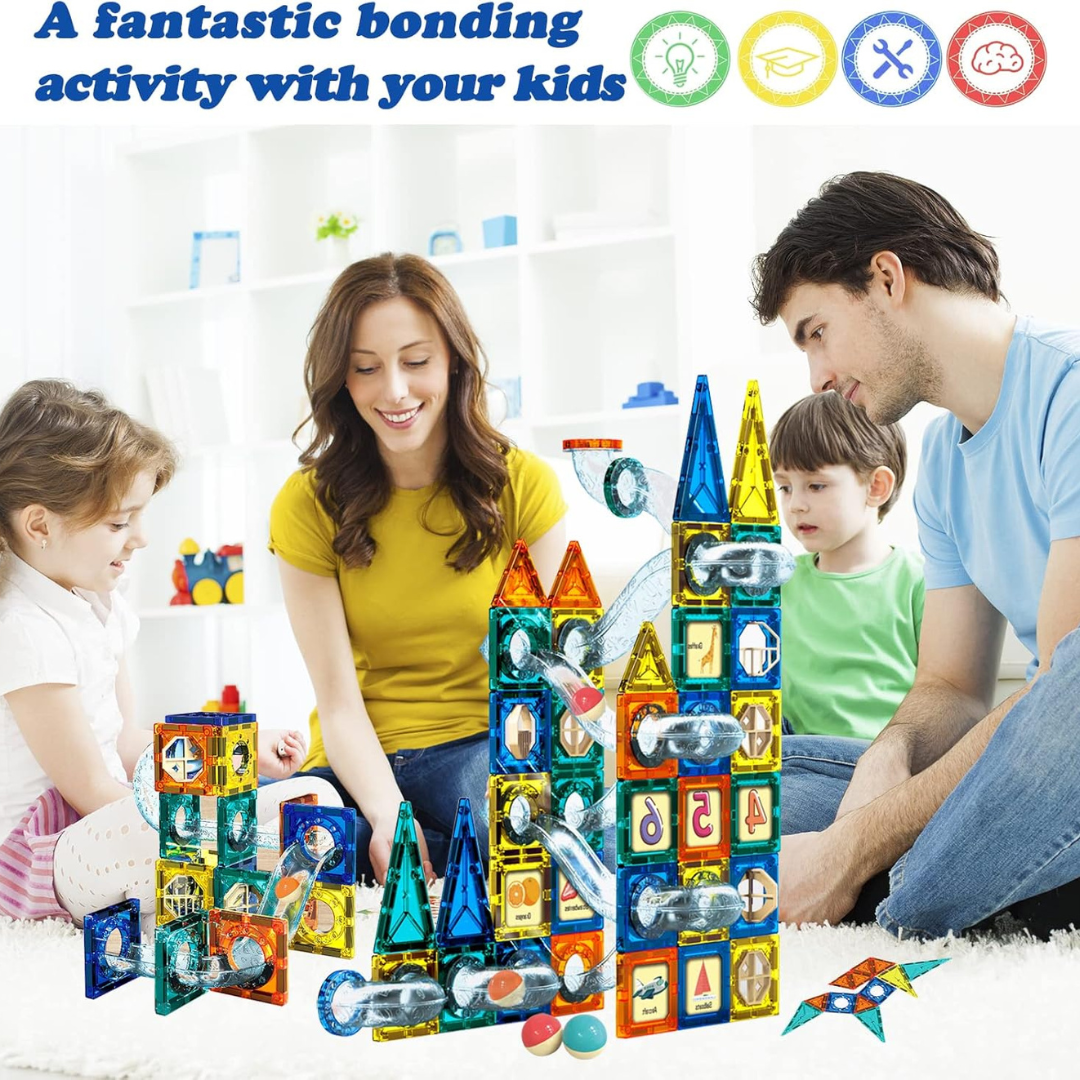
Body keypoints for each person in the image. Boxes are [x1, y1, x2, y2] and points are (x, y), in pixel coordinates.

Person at [752, 171, 1080, 939]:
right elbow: (950, 684)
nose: (818, 379)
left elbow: (1066, 688)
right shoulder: (945, 461)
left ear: (887, 278)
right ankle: (979, 887)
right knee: (774, 777)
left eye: (816, 332)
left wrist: (854, 842)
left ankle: (896, 899)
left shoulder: (1069, 397)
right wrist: (889, 753)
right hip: (1037, 766)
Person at [269, 253, 568, 886]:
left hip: (479, 749)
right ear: (341, 382)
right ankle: (426, 844)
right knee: (296, 849)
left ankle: (450, 844)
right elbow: (338, 703)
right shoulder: (306, 505)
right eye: (366, 369)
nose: (395, 391)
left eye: (416, 361)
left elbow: (549, 681)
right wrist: (389, 817)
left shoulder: (524, 487)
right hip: (354, 763)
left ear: (454, 360)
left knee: (530, 833)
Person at [0, 380, 331, 926]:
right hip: (50, 855)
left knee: (315, 796)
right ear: (40, 525)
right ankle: (238, 881)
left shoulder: (99, 604)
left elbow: (130, 745)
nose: (141, 538)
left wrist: (235, 757)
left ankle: (237, 882)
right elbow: (89, 791)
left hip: (115, 814)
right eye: (118, 523)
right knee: (153, 831)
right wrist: (203, 822)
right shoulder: (25, 630)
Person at [770, 391, 923, 740]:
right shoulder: (777, 584)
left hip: (884, 762)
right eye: (785, 488)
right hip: (795, 755)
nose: (795, 505)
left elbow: (943, 698)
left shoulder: (918, 583)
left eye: (816, 485)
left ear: (876, 486)